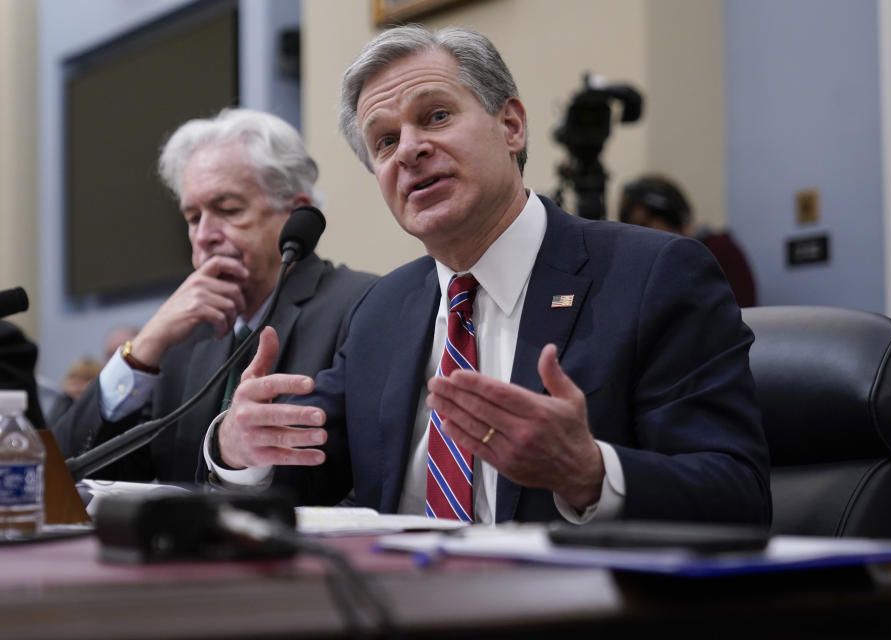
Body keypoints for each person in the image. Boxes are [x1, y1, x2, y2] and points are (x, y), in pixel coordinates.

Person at [208, 27, 770, 525]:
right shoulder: (384, 307)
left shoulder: (655, 274)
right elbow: (304, 469)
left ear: (512, 126)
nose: (409, 150)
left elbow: (737, 494)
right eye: (384, 141)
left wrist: (590, 473)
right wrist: (239, 447)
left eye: (436, 116)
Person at [52, 108, 377, 483]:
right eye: (193, 217)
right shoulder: (180, 333)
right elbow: (62, 477)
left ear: (295, 213)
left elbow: (362, 483)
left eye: (227, 210)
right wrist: (142, 349)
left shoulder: (362, 306)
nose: (204, 234)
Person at [619, 175, 757, 307]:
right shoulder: (639, 270)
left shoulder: (720, 252)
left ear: (677, 220)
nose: (639, 236)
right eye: (633, 228)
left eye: (645, 224)